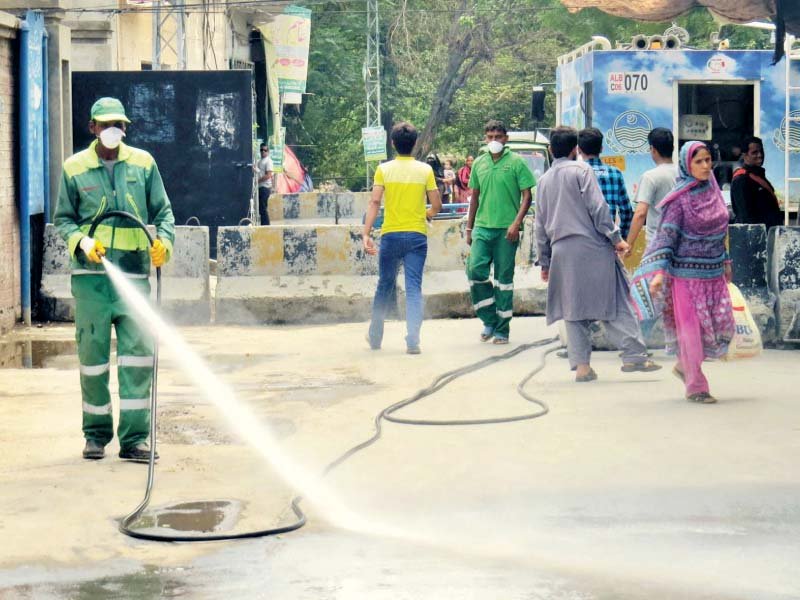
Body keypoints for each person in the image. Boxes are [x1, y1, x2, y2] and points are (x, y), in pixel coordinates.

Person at [54, 97, 175, 461]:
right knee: (93, 362)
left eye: (119, 125)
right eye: (106, 124)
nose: (113, 131)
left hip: (135, 276)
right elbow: (64, 219)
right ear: (92, 127)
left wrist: (164, 244)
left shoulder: (144, 164)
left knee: (137, 359)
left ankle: (135, 440)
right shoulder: (74, 168)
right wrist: (81, 241)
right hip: (91, 281)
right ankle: (95, 436)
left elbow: (164, 212)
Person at [535, 126, 660, 382]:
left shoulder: (544, 181)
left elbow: (540, 225)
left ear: (551, 150)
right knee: (615, 300)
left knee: (573, 309)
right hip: (592, 246)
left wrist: (545, 262)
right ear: (575, 149)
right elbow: (598, 208)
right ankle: (634, 357)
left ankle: (582, 367)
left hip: (561, 251)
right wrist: (616, 239)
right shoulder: (582, 170)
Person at [632, 141, 735, 404]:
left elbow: (721, 233)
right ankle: (696, 386)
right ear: (686, 165)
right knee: (691, 331)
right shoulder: (678, 200)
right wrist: (658, 274)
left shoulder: (714, 193)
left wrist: (726, 264)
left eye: (708, 160)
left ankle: (684, 365)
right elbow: (667, 238)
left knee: (717, 329)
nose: (705, 166)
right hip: (685, 276)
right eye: (698, 161)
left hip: (713, 274)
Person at [363, 122, 442, 354]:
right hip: (417, 236)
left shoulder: (384, 170)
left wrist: (366, 233)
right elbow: (436, 204)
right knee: (414, 288)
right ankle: (413, 341)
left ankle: (375, 337)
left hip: (391, 236)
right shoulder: (425, 171)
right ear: (415, 144)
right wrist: (425, 214)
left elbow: (375, 202)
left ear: (393, 144)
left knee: (384, 285)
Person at [465, 120, 535, 344]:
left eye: (498, 136)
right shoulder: (479, 163)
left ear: (506, 138)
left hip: (507, 231)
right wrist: (470, 226)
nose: (494, 141)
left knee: (504, 280)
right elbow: (474, 197)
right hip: (482, 228)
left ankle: (502, 329)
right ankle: (489, 319)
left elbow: (527, 196)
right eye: (490, 137)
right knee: (475, 271)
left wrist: (516, 223)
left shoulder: (516, 163)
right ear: (485, 139)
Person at [578, 127, 634, 240]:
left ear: (579, 149)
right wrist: (620, 238)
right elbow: (627, 211)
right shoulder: (615, 173)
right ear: (601, 149)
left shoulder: (576, 173)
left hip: (582, 241)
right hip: (608, 240)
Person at [627, 128, 676, 250]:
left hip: (658, 245)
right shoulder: (685, 174)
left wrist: (629, 244)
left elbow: (640, 213)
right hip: (682, 243)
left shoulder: (650, 177)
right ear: (673, 148)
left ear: (653, 149)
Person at [731, 136, 783, 229]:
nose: (760, 155)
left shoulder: (758, 175)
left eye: (761, 151)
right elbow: (745, 217)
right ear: (745, 155)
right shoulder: (742, 179)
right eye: (754, 152)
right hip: (757, 237)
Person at [256, 143, 274, 225]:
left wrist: (258, 180)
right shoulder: (260, 161)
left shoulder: (268, 161)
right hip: (260, 187)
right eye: (261, 150)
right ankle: (263, 224)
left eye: (265, 150)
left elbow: (269, 175)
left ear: (268, 151)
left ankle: (266, 225)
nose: (263, 151)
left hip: (265, 187)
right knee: (261, 208)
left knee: (263, 208)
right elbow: (259, 172)